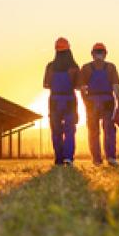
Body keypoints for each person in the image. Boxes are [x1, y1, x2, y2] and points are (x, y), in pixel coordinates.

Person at [80, 42, 119, 166]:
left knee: (93, 132)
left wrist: (85, 103)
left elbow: (83, 89)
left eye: (99, 52)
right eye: (99, 52)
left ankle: (97, 160)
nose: (99, 55)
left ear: (92, 54)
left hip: (92, 102)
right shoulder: (111, 67)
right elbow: (116, 88)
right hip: (108, 101)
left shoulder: (86, 68)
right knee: (109, 131)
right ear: (106, 54)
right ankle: (111, 157)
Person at [43, 37, 80, 165]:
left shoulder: (50, 66)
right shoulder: (74, 67)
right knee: (70, 129)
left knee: (56, 130)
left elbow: (46, 85)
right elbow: (78, 86)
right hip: (69, 99)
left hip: (54, 100)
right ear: (69, 50)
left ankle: (59, 158)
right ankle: (68, 157)